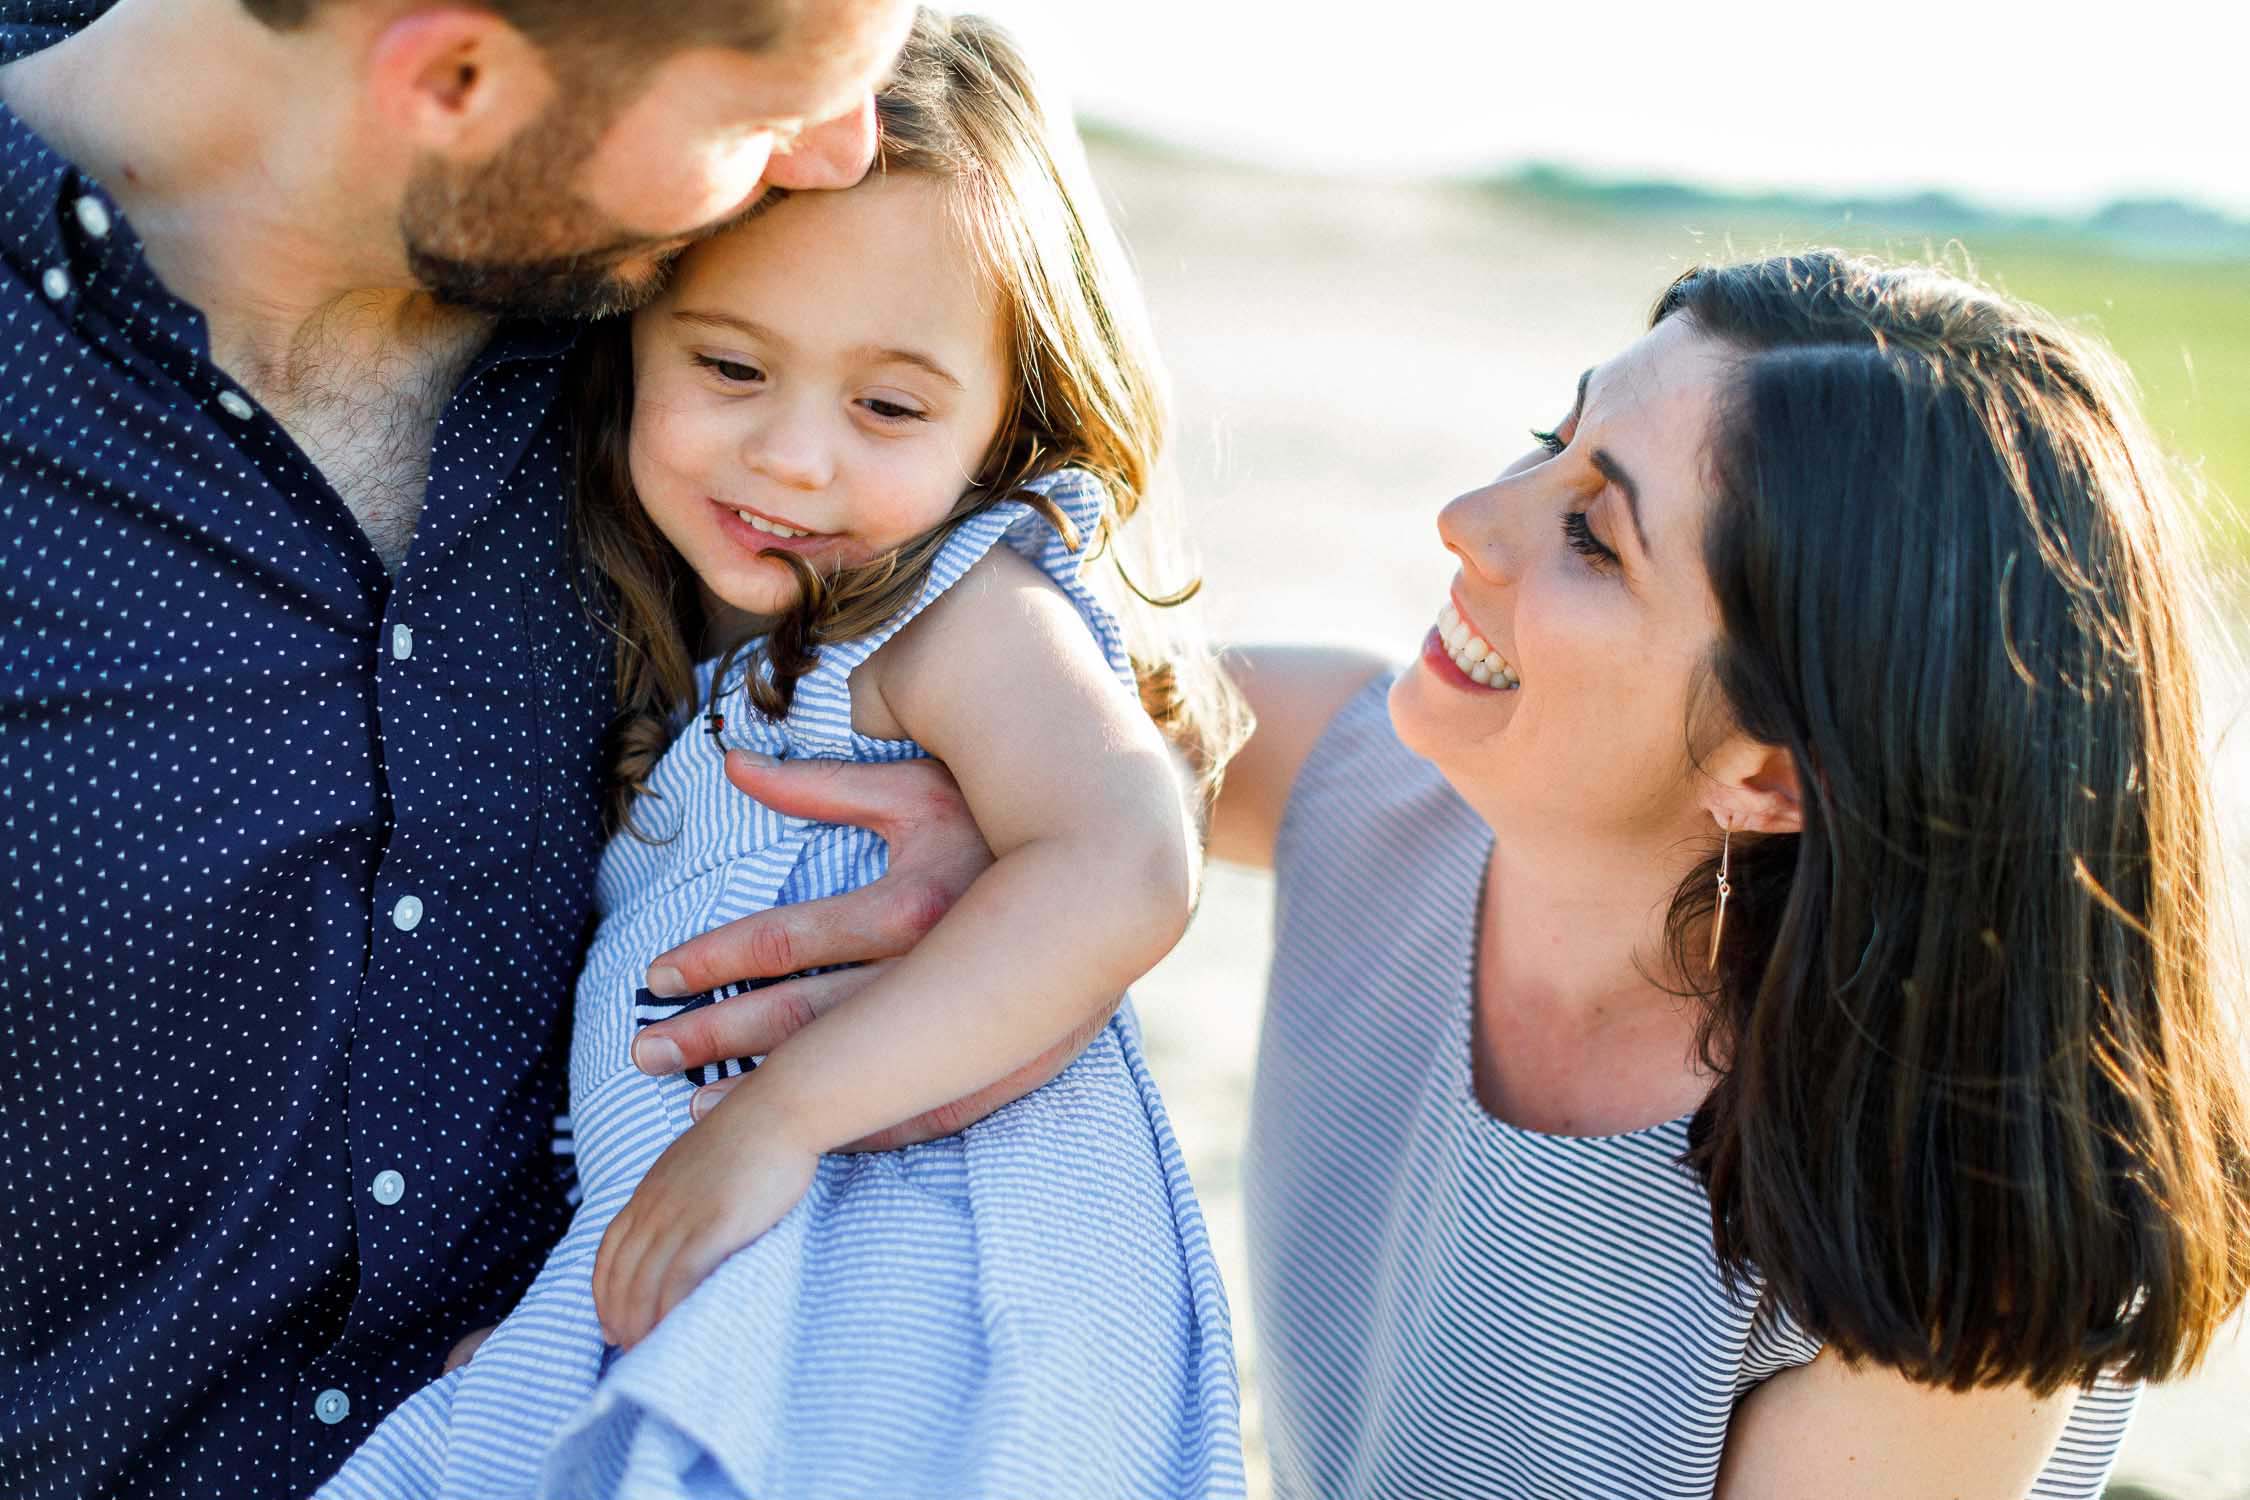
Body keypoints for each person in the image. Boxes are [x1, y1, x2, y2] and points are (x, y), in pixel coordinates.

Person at [0, 2, 1090, 1494]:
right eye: (767, 108)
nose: (844, 145)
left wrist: (1002, 791)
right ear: (451, 79)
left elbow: (1003, 573)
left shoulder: (651, 283)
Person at [318, 13, 1245, 1496]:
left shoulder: (953, 616)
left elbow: (1130, 857)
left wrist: (781, 1118)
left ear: (1008, 413)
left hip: (919, 1307)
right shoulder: (695, 649)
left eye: (888, 406)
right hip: (757, 1286)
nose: (794, 458)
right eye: (732, 368)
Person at [1204, 253, 2250, 1496]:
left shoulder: (1920, 1245)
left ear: (1774, 774)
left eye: (1592, 533)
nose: (1473, 519)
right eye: (1554, 436)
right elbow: (1000, 685)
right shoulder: (1356, 777)